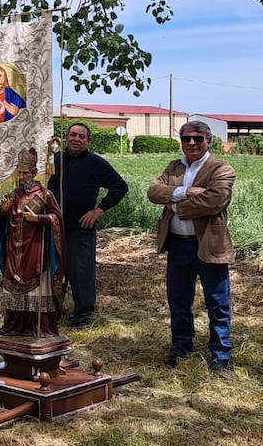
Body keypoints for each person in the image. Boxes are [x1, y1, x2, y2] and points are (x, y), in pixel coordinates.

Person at [147, 121, 236, 371]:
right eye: (186, 139)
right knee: (178, 300)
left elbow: (214, 201)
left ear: (208, 141)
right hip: (177, 246)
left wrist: (173, 203)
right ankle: (181, 349)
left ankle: (220, 356)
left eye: (198, 138)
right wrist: (185, 192)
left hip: (208, 245)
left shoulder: (221, 168)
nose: (192, 143)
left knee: (218, 303)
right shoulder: (175, 167)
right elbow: (153, 191)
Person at [48, 122, 128, 327]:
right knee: (53, 269)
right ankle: (51, 311)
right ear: (66, 137)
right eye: (73, 135)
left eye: (81, 136)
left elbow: (120, 187)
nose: (76, 139)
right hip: (52, 226)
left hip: (80, 228)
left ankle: (84, 314)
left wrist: (98, 210)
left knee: (81, 270)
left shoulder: (96, 164)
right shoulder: (53, 162)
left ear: (88, 140)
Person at [0, 148, 65, 338]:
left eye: (26, 172)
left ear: (34, 173)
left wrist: (39, 218)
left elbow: (57, 219)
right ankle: (13, 325)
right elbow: (1, 218)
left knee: (36, 284)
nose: (23, 176)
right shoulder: (14, 195)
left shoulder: (45, 195)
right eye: (20, 172)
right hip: (15, 248)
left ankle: (38, 327)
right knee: (13, 285)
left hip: (36, 248)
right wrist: (2, 210)